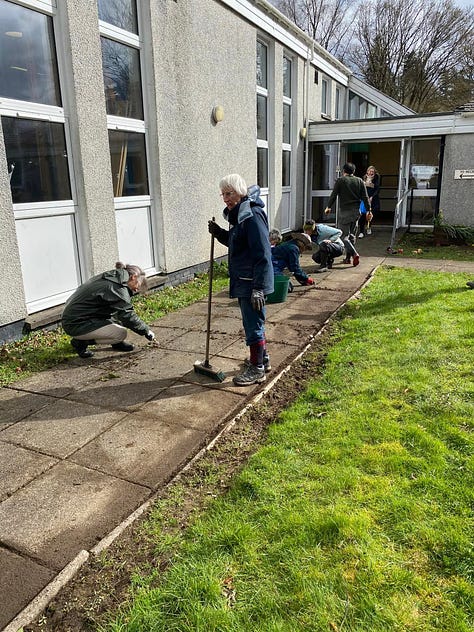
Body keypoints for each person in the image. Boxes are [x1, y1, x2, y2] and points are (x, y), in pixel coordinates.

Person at [208, 174, 274, 386]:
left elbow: (263, 253)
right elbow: (238, 243)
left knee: (252, 324)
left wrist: (258, 288)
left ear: (241, 193)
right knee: (254, 322)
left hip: (251, 280)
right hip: (244, 278)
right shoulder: (238, 215)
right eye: (223, 194)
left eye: (230, 193)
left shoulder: (251, 215)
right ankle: (262, 359)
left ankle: (257, 370)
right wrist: (219, 233)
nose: (226, 198)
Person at [62, 262, 156, 358]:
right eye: (138, 284)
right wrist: (146, 330)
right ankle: (80, 342)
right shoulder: (117, 287)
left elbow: (118, 311)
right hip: (76, 323)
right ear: (133, 277)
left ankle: (116, 343)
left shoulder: (112, 277)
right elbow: (127, 315)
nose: (136, 289)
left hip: (79, 316)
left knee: (118, 319)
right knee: (121, 333)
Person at [324, 162, 370, 267]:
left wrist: (328, 207)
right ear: (353, 171)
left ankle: (354, 254)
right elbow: (365, 197)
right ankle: (348, 259)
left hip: (345, 212)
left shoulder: (341, 180)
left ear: (344, 171)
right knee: (352, 236)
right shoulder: (359, 181)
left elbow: (334, 195)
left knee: (343, 236)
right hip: (356, 213)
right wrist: (368, 210)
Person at [359, 165, 379, 237]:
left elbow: (377, 188)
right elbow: (361, 187)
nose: (371, 173)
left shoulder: (376, 178)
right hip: (364, 198)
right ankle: (361, 231)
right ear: (367, 171)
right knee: (362, 215)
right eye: (370, 171)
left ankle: (369, 227)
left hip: (372, 199)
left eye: (372, 171)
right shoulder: (364, 178)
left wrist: (372, 197)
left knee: (370, 214)